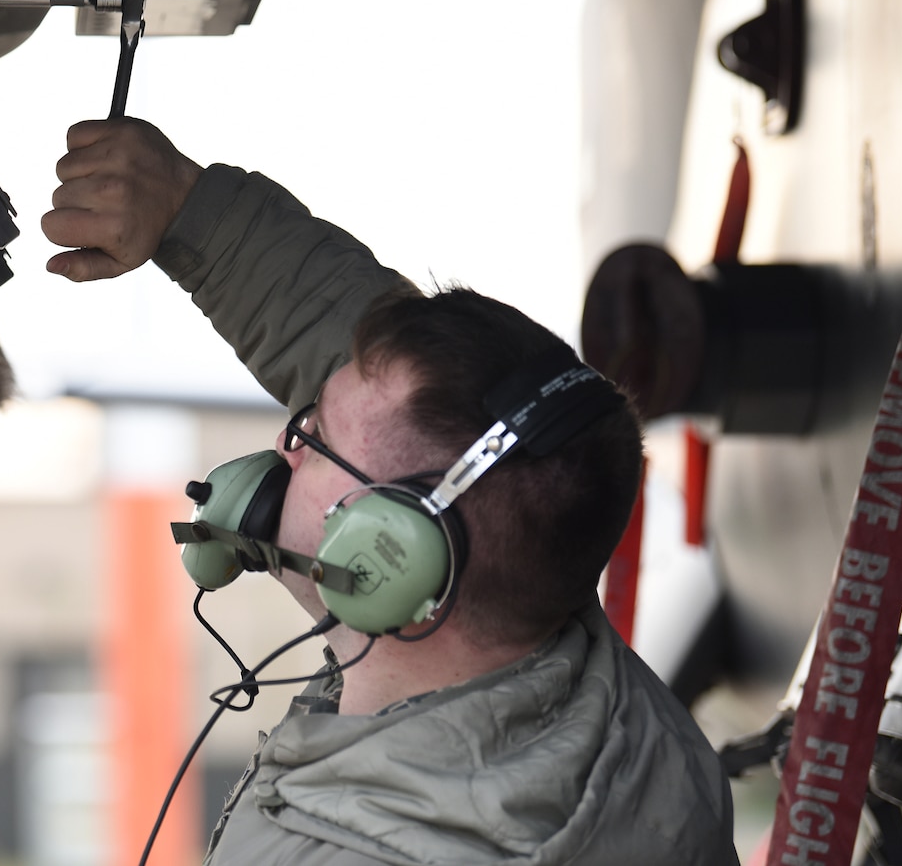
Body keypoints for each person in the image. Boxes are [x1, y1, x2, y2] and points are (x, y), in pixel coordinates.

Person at [42, 118, 737, 866]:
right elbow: (370, 363)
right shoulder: (594, 697)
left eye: (312, 435)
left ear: (390, 553)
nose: (283, 442)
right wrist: (189, 209)